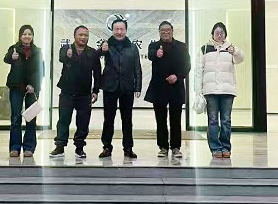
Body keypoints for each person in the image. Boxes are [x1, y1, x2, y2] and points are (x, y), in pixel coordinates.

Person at [49, 25, 101, 159]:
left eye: (85, 35)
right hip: (67, 92)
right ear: (74, 36)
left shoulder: (92, 53)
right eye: (80, 35)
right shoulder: (66, 49)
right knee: (63, 120)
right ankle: (60, 146)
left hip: (84, 94)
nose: (83, 37)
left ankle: (79, 147)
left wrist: (95, 90)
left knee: (83, 122)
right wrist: (67, 56)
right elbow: (61, 58)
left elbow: (97, 73)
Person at [196, 22, 244, 159]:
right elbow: (198, 71)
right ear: (212, 34)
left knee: (226, 120)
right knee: (212, 120)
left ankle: (226, 147)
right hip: (210, 90)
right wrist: (198, 91)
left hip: (227, 90)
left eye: (221, 33)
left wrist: (235, 51)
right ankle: (215, 148)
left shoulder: (230, 48)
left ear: (225, 35)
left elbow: (240, 59)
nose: (219, 35)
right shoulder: (205, 49)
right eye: (217, 33)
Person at [144, 21, 191, 158]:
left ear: (172, 31)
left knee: (176, 119)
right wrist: (156, 54)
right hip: (159, 88)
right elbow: (150, 55)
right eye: (163, 30)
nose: (165, 32)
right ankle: (163, 147)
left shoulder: (181, 46)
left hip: (176, 87)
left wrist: (177, 76)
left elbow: (187, 65)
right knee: (160, 119)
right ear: (159, 32)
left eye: (168, 30)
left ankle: (176, 147)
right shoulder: (154, 46)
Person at [99, 18, 142, 159]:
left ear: (126, 30)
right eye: (116, 29)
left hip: (127, 87)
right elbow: (97, 56)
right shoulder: (107, 45)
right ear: (112, 30)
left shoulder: (132, 47)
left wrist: (138, 86)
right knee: (108, 119)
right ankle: (106, 147)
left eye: (121, 29)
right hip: (110, 87)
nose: (119, 32)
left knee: (127, 119)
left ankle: (128, 148)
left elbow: (137, 68)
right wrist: (102, 50)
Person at [4, 24, 42, 158]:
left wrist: (33, 85)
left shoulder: (37, 51)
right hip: (16, 87)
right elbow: (6, 59)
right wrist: (12, 57)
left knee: (31, 117)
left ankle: (29, 148)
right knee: (16, 118)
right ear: (20, 36)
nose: (27, 36)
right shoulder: (14, 49)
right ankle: (14, 148)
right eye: (24, 34)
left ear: (32, 36)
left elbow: (40, 70)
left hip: (31, 89)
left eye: (29, 34)